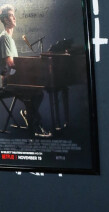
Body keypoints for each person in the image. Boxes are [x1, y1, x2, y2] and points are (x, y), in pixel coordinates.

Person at [0, 4, 50, 137]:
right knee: (35, 93)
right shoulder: (5, 37)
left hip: (11, 80)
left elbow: (14, 65)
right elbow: (11, 64)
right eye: (11, 15)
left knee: (37, 92)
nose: (14, 17)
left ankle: (29, 116)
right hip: (6, 84)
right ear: (5, 19)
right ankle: (35, 127)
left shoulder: (8, 38)